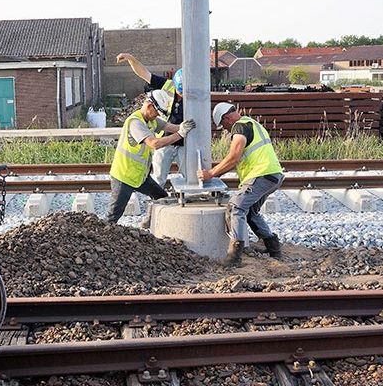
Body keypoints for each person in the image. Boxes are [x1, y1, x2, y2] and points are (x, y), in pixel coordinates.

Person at [198, 102, 284, 267]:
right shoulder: (252, 123)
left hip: (261, 175)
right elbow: (236, 160)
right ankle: (273, 248)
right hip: (272, 175)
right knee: (251, 211)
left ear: (227, 118)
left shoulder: (239, 127)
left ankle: (235, 257)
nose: (225, 129)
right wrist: (217, 173)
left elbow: (233, 157)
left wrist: (211, 174)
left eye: (223, 125)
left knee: (236, 207)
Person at [106, 90, 196, 223]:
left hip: (139, 177)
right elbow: (154, 144)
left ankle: (153, 222)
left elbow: (167, 126)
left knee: (161, 197)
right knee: (113, 215)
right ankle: (102, 237)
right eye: (157, 113)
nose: (157, 116)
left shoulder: (150, 120)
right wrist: (180, 134)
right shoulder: (135, 122)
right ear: (149, 106)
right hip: (124, 176)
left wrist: (181, 127)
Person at [115, 53, 184, 189]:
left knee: (189, 175)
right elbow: (144, 73)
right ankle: (157, 200)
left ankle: (189, 200)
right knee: (158, 178)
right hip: (164, 140)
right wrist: (131, 58)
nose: (182, 94)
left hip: (185, 143)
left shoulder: (195, 95)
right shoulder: (167, 85)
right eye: (180, 91)